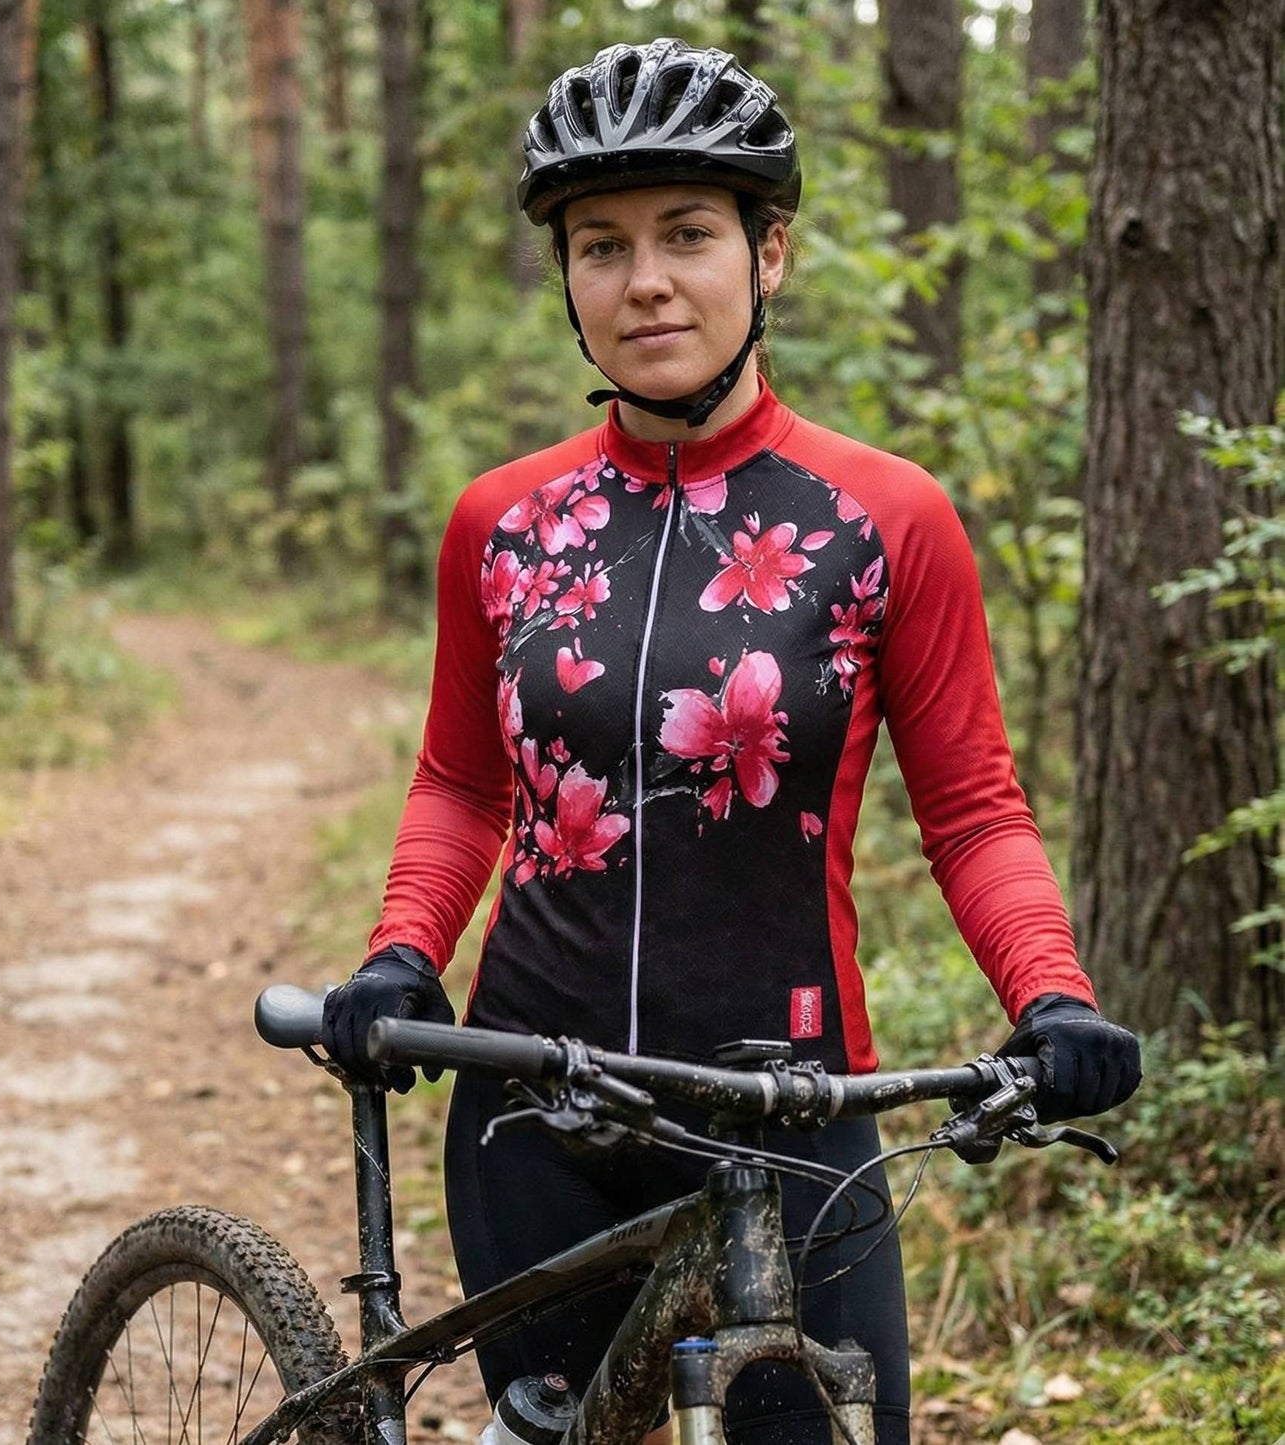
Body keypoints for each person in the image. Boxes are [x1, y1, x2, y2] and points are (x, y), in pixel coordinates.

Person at [321, 37, 1141, 1445]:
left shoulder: (884, 519)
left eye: (686, 234)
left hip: (790, 1100)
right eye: (600, 245)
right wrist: (404, 951)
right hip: (532, 1102)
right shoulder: (501, 525)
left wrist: (1049, 997)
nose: (643, 279)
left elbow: (974, 812)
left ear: (771, 256)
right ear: (567, 280)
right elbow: (463, 781)